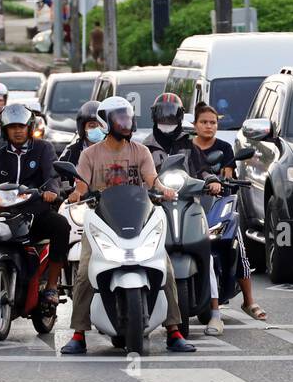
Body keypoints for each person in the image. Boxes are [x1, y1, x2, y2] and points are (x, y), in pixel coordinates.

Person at [60, 96, 195, 354]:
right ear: (106, 121)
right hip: (101, 220)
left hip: (138, 219)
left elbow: (152, 180)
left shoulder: (140, 151)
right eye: (119, 117)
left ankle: (174, 330)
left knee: (164, 267)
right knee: (85, 271)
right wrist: (77, 193)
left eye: (128, 116)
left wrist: (164, 190)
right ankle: (78, 334)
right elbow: (81, 185)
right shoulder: (90, 154)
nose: (126, 122)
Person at [0, 103, 71, 312]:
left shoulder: (43, 149)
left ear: (29, 127)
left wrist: (51, 192)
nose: (17, 131)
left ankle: (52, 286)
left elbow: (52, 176)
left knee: (61, 225)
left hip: (35, 214)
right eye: (12, 127)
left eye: (21, 126)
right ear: (4, 130)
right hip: (2, 216)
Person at [187, 102, 264, 335]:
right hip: (191, 206)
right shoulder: (186, 148)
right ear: (195, 125)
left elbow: (228, 175)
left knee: (237, 245)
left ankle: (249, 300)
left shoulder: (225, 148)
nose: (208, 126)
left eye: (213, 123)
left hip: (220, 206)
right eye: (204, 122)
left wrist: (222, 182)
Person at [143, 92, 191, 169]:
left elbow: (202, 168)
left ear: (180, 116)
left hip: (185, 180)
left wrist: (211, 179)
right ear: (154, 116)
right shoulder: (147, 147)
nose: (167, 120)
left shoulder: (189, 144)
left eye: (171, 117)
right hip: (156, 180)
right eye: (162, 116)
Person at [58, 100, 105, 166]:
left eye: (101, 125)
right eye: (92, 126)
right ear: (83, 128)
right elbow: (61, 171)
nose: (97, 129)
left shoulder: (115, 149)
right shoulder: (71, 152)